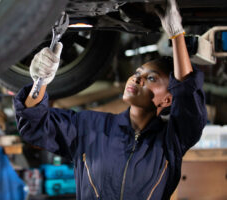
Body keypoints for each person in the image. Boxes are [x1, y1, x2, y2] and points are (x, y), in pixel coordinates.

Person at [13, 0, 207, 199]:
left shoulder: (170, 142)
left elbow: (187, 93)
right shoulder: (90, 127)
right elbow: (35, 126)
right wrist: (40, 83)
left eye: (151, 78)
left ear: (167, 100)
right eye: (138, 72)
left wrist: (177, 35)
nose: (136, 78)